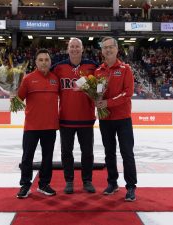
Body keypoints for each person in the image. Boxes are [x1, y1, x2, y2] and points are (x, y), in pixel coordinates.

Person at [52, 38, 98, 194]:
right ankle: (69, 181)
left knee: (88, 152)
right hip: (65, 118)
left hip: (86, 118)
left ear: (82, 48)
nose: (74, 49)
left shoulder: (92, 66)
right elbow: (46, 78)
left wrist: (99, 95)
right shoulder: (58, 67)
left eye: (77, 46)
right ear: (67, 49)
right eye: (72, 46)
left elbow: (101, 84)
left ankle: (87, 181)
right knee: (66, 152)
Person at [95, 37, 137, 201]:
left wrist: (108, 103)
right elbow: (98, 92)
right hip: (105, 120)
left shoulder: (125, 69)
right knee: (109, 153)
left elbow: (128, 93)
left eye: (111, 47)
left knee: (127, 153)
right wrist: (96, 99)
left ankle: (131, 186)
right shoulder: (98, 71)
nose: (108, 50)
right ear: (102, 51)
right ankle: (112, 182)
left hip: (123, 119)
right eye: (105, 48)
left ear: (117, 49)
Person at [16, 49, 59, 199]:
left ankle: (44, 184)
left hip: (50, 126)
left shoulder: (56, 79)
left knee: (47, 158)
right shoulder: (28, 79)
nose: (44, 62)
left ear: (50, 62)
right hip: (32, 127)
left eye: (46, 60)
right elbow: (18, 100)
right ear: (36, 62)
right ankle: (25, 185)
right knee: (27, 157)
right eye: (40, 60)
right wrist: (12, 94)